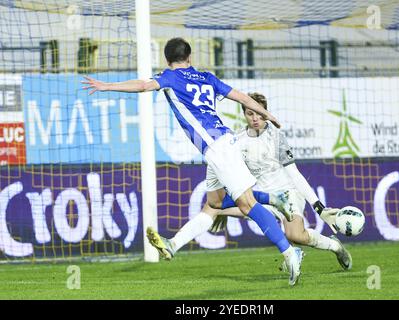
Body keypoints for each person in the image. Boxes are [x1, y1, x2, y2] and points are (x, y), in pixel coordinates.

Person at [82, 37, 303, 286]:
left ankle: (289, 251)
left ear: (167, 60)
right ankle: (175, 243)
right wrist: (267, 114)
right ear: (190, 57)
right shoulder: (206, 77)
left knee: (246, 204)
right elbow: (241, 97)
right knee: (215, 202)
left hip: (218, 147)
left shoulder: (170, 78)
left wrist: (106, 86)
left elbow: (143, 85)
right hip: (219, 145)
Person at [148, 92, 352, 272]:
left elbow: (295, 174)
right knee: (212, 206)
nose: (255, 118)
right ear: (244, 114)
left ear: (266, 113)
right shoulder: (238, 141)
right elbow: (229, 174)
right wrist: (223, 205)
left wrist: (319, 207)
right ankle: (173, 244)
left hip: (287, 193)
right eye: (250, 114)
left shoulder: (277, 137)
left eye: (260, 114)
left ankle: (335, 247)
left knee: (296, 235)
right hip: (259, 196)